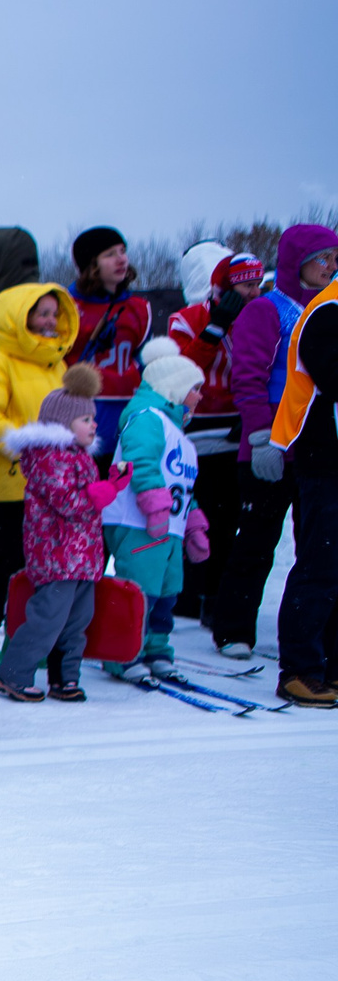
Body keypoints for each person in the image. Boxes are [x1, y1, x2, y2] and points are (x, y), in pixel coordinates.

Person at [222, 224, 338, 660]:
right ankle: (234, 626)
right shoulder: (266, 309)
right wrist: (259, 436)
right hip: (270, 440)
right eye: (322, 258)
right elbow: (248, 377)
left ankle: (316, 632)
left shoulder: (329, 307)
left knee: (317, 545)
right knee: (256, 537)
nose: (330, 266)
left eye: (334, 258)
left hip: (314, 445)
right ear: (296, 261)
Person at [0, 282, 79, 671]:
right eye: (40, 314)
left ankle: (21, 635)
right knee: (5, 561)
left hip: (53, 487)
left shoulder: (59, 366)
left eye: (52, 313)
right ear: (18, 320)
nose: (49, 321)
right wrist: (31, 445)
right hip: (13, 483)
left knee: (40, 566)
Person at [0, 366, 118, 702]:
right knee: (47, 619)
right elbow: (67, 503)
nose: (94, 425)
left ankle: (65, 678)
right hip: (57, 555)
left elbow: (86, 505)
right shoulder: (51, 457)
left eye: (93, 419)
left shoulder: (79, 457)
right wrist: (102, 493)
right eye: (85, 420)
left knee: (77, 623)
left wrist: (108, 485)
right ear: (64, 425)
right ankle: (13, 674)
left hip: (83, 557)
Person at [165, 243, 263, 631]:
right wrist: (216, 327)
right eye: (245, 286)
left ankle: (213, 597)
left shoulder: (261, 316)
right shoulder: (187, 318)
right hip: (195, 429)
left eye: (258, 284)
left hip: (237, 429)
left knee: (228, 518)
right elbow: (182, 371)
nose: (253, 293)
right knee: (191, 516)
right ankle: (186, 593)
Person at [100, 340, 208, 681]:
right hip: (137, 521)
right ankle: (122, 652)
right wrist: (153, 504)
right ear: (175, 388)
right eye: (195, 389)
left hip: (168, 529)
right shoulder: (147, 418)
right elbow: (140, 460)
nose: (200, 396)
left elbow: (185, 488)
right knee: (138, 588)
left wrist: (192, 524)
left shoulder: (181, 436)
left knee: (167, 589)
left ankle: (156, 648)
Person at [266, 260, 338, 707]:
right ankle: (300, 668)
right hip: (324, 458)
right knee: (321, 566)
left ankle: (327, 666)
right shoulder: (327, 309)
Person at [66, 227, 150, 444]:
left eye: (123, 251)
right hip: (84, 417)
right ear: (91, 264)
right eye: (110, 254)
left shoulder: (138, 309)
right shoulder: (68, 308)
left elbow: (144, 366)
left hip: (129, 417)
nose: (121, 259)